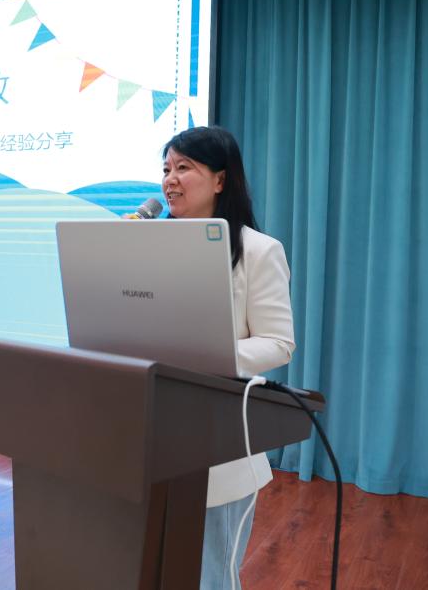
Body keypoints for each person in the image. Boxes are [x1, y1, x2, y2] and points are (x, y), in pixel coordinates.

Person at [161, 125, 296, 590]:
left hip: (219, 440)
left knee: (210, 575)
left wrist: (206, 356)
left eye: (183, 168)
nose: (170, 180)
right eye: (165, 169)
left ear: (221, 179)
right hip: (151, 432)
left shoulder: (259, 251)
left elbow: (278, 342)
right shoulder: (152, 247)